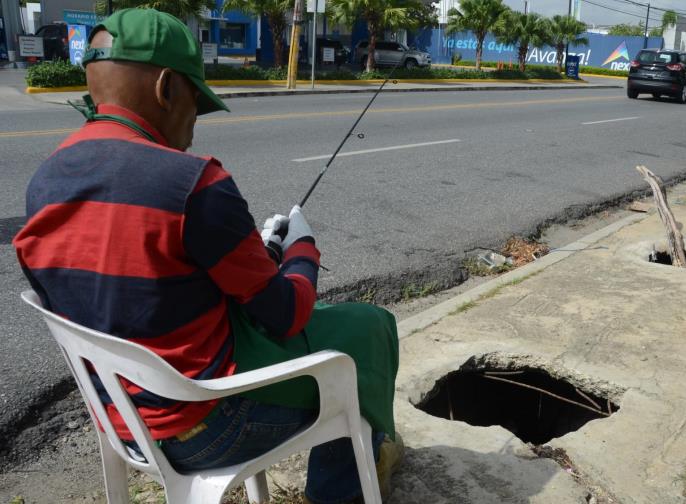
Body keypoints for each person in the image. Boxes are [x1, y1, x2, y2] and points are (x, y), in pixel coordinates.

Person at [12, 9, 401, 503]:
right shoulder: (193, 182)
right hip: (208, 425)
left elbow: (155, 281)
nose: (195, 122)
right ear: (167, 89)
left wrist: (262, 251)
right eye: (197, 101)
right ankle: (339, 491)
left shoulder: (44, 182)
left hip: (119, 419)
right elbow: (286, 313)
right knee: (365, 332)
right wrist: (301, 246)